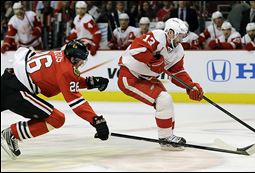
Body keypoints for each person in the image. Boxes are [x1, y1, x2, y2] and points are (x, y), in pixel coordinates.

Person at [1, 40, 110, 159]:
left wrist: (89, 83)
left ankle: (12, 134)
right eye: (80, 61)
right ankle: (12, 134)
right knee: (57, 119)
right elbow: (76, 102)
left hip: (8, 80)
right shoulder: (66, 70)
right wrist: (96, 120)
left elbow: (63, 80)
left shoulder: (58, 55)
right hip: (16, 91)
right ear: (73, 59)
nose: (80, 64)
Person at [117, 18, 204, 151]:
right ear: (170, 33)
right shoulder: (157, 36)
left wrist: (190, 86)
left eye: (183, 36)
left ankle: (169, 135)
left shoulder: (178, 51)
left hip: (148, 78)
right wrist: (152, 60)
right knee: (164, 99)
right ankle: (165, 138)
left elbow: (177, 72)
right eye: (179, 36)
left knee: (166, 102)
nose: (181, 39)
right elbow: (136, 49)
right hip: (130, 76)